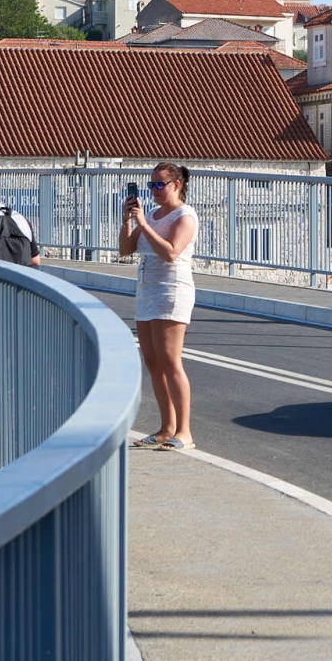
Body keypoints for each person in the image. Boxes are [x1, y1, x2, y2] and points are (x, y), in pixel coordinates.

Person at [120, 163, 199, 450]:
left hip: (172, 290)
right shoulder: (152, 215)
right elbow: (125, 250)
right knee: (153, 361)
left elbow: (171, 253)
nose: (154, 190)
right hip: (147, 291)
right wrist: (128, 221)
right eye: (151, 185)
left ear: (176, 185)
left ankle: (184, 431)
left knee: (170, 359)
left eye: (159, 185)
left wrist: (143, 224)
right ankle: (167, 427)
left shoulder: (185, 216)